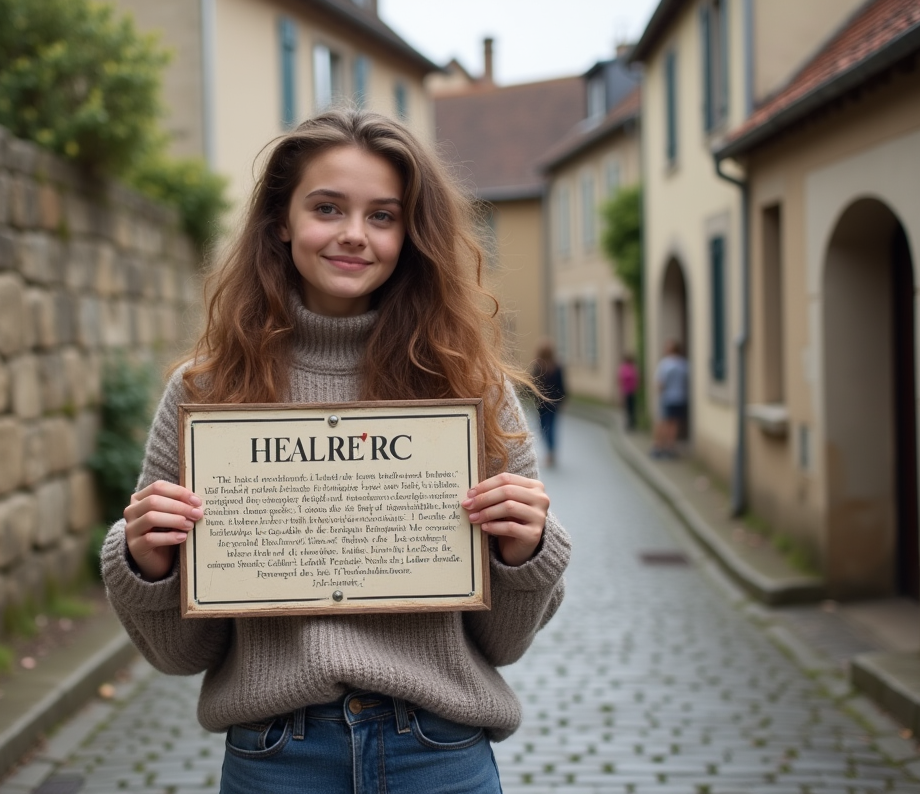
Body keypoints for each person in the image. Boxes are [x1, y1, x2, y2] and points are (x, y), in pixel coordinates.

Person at [101, 110, 570, 794]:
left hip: (438, 752)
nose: (355, 234)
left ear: (412, 235)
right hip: (275, 757)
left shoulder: (470, 389)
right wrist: (145, 560)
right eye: (327, 208)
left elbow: (505, 643)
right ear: (281, 220)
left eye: (384, 216)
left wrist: (526, 552)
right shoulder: (206, 391)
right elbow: (180, 653)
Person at [529, 339, 566, 467]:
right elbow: (562, 386)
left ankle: (550, 451)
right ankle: (551, 450)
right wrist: (562, 400)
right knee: (552, 427)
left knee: (544, 428)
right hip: (553, 403)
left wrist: (535, 399)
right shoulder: (557, 367)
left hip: (542, 404)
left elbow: (533, 386)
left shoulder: (537, 367)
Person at [652, 339, 689, 458]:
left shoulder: (664, 364)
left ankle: (658, 447)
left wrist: (660, 394)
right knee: (674, 424)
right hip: (679, 397)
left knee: (663, 422)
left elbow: (660, 383)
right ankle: (670, 447)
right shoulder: (683, 364)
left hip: (667, 398)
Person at [618, 353, 639, 431]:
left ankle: (633, 423)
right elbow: (620, 380)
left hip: (632, 391)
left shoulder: (633, 367)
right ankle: (628, 424)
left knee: (632, 408)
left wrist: (636, 387)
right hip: (626, 391)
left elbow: (637, 378)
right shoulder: (624, 368)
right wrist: (621, 392)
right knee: (627, 408)